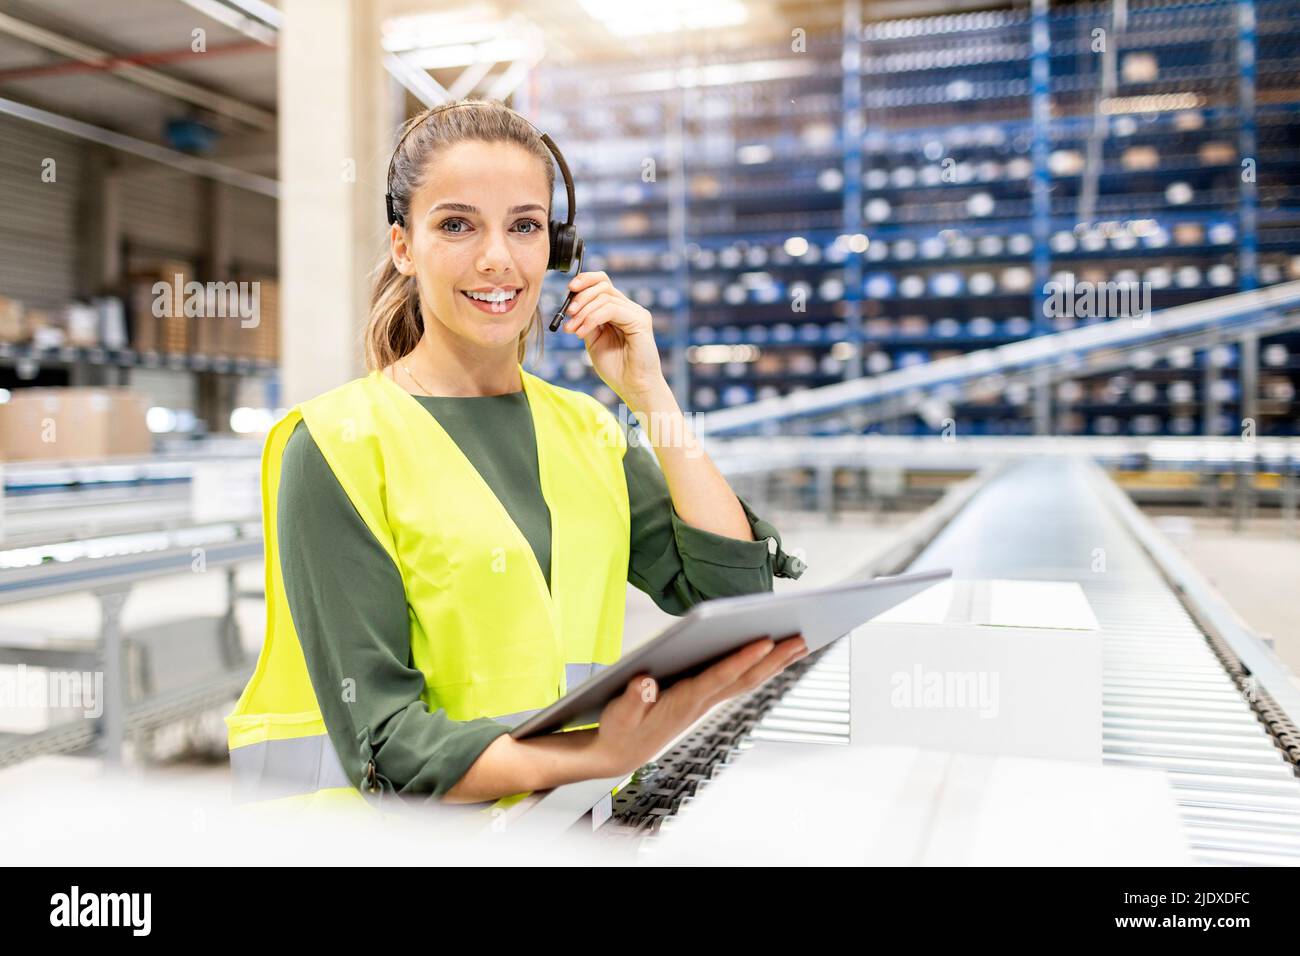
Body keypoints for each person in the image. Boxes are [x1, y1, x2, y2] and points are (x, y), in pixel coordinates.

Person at [224, 98, 808, 815]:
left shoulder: (585, 430)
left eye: (525, 226)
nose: (497, 258)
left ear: (558, 252)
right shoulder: (337, 446)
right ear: (404, 247)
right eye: (457, 224)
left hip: (557, 832)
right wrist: (598, 755)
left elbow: (732, 607)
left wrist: (651, 395)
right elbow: (384, 744)